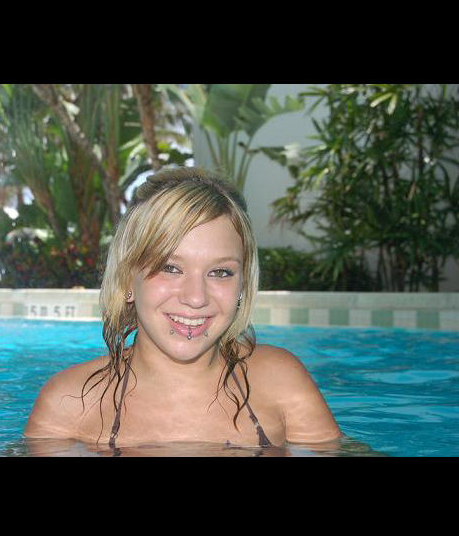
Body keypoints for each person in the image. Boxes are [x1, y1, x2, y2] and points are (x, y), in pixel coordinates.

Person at [24, 167, 341, 456]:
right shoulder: (69, 405)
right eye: (170, 268)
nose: (196, 298)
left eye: (220, 272)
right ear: (127, 279)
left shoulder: (281, 382)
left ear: (243, 284)